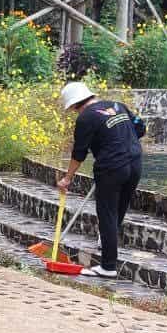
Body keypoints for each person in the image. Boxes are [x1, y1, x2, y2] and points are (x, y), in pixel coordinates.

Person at [56, 81, 147, 279]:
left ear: (74, 104)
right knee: (118, 210)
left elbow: (79, 154)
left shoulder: (85, 118)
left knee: (107, 214)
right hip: (135, 162)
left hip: (112, 167)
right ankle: (107, 241)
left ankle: (108, 266)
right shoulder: (117, 106)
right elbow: (141, 128)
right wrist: (121, 141)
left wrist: (67, 178)